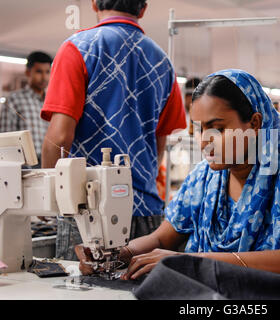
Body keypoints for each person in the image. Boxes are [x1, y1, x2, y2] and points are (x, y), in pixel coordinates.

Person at [76, 69, 280, 282]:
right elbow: (161, 238)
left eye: (218, 129)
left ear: (254, 124)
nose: (205, 142)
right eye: (200, 130)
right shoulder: (204, 177)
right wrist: (118, 254)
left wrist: (193, 263)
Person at [40, 0, 186, 260]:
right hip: (146, 211)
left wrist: (49, 196)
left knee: (80, 292)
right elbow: (159, 145)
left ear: (94, 3)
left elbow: (60, 136)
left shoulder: (77, 48)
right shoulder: (163, 63)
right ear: (142, 9)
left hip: (87, 213)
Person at [0, 51, 53, 166]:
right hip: (25, 165)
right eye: (39, 72)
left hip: (49, 163)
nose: (44, 77)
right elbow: (6, 141)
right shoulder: (14, 100)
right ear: (28, 72)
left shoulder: (52, 101)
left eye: (47, 72)